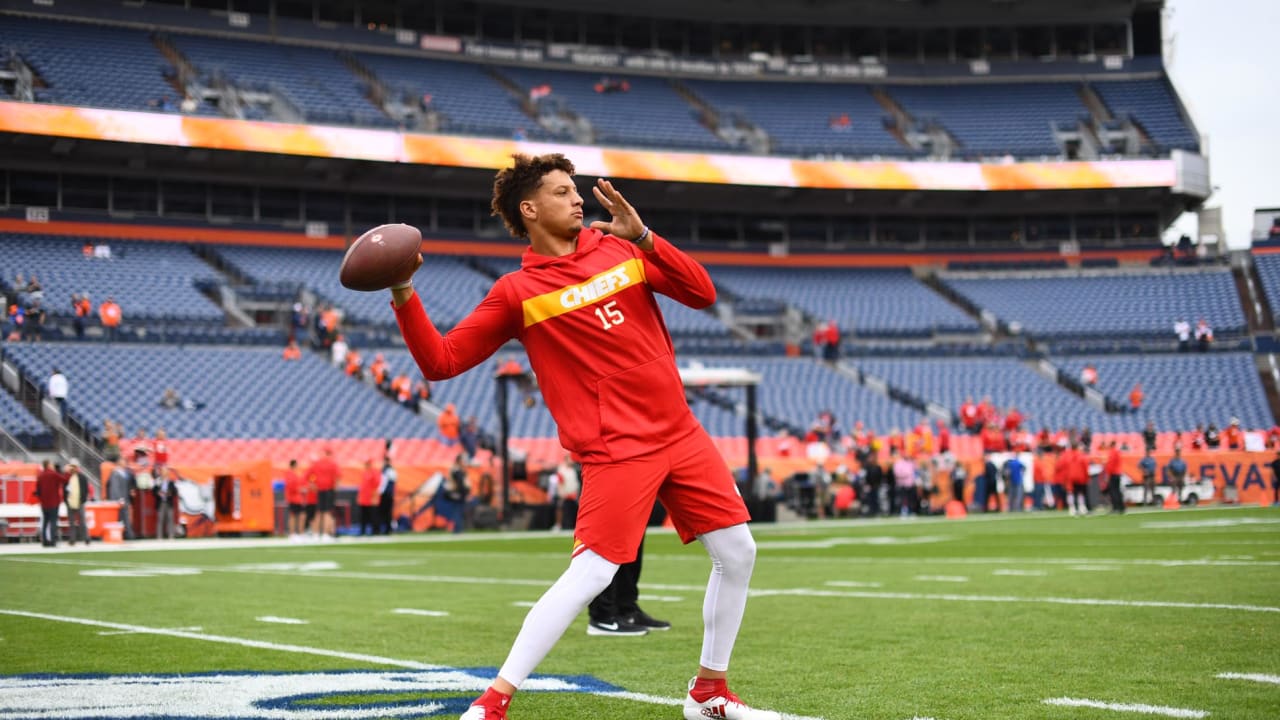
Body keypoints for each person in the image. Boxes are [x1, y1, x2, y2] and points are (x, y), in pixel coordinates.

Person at [390, 154, 776, 720]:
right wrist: (402, 289)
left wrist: (644, 236)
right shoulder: (516, 291)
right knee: (593, 573)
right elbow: (441, 362)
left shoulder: (622, 251)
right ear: (530, 209)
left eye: (576, 190)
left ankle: (709, 691)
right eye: (562, 191)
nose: (578, 199)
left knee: (738, 551)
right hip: (617, 449)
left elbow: (702, 294)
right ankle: (492, 703)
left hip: (681, 432)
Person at [305, 448, 340, 541]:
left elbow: (308, 477)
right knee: (327, 513)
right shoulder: (332, 464)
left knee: (319, 512)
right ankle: (325, 534)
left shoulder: (317, 464)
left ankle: (316, 534)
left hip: (320, 490)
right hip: (328, 490)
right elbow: (337, 477)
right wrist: (335, 488)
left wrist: (313, 486)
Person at [33, 460, 65, 547]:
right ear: (48, 465)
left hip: (44, 503)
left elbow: (38, 490)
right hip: (54, 502)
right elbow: (64, 480)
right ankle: (53, 541)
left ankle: (44, 541)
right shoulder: (53, 474)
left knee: (45, 522)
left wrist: (42, 499)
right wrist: (68, 472)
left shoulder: (40, 476)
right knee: (53, 521)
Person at [63, 460, 92, 545]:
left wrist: (82, 499)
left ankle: (86, 538)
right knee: (71, 522)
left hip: (80, 502)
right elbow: (65, 490)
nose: (73, 468)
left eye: (74, 466)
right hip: (70, 502)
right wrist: (66, 500)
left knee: (82, 521)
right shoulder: (67, 477)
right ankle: (72, 539)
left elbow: (85, 489)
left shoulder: (82, 477)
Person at [283, 459, 307, 540]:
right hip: (293, 498)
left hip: (298, 499)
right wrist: (300, 489)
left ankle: (300, 533)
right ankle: (292, 533)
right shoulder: (290, 474)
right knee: (293, 516)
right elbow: (291, 487)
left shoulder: (296, 474)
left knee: (301, 515)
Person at [357, 459, 381, 536]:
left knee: (373, 515)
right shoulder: (364, 473)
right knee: (363, 515)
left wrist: (374, 497)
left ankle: (376, 530)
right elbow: (362, 486)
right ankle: (363, 530)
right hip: (364, 498)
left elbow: (376, 485)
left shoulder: (374, 473)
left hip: (371, 498)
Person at [154, 467, 180, 539]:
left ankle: (171, 535)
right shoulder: (158, 481)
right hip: (161, 502)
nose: (164, 473)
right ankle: (159, 536)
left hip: (169, 502)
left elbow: (175, 491)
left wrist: (170, 493)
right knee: (160, 519)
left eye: (165, 472)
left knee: (170, 519)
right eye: (162, 471)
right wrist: (158, 493)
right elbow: (154, 491)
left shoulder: (171, 482)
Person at [378, 455, 397, 535]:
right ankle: (385, 528)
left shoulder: (390, 471)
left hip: (387, 494)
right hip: (385, 493)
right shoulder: (385, 470)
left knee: (388, 512)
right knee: (384, 512)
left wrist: (380, 490)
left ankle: (389, 529)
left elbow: (386, 483)